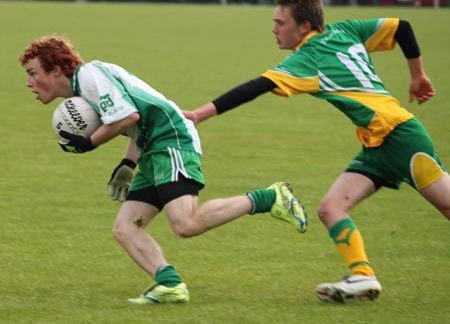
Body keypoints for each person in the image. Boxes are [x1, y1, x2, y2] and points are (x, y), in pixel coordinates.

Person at [184, 0, 450, 304]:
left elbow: (257, 87)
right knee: (330, 208)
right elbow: (402, 27)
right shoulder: (346, 29)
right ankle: (362, 276)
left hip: (401, 137)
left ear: (304, 25)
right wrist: (418, 75)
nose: (274, 29)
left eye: (281, 23)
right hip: (377, 143)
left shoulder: (307, 58)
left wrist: (198, 114)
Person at [19, 35, 307, 304]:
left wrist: (88, 143)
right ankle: (170, 284)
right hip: (151, 147)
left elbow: (127, 116)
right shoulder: (86, 88)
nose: (29, 82)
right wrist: (128, 163)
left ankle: (271, 197)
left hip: (172, 140)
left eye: (33, 73)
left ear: (56, 70)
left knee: (185, 223)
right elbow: (135, 120)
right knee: (124, 228)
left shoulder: (89, 76)